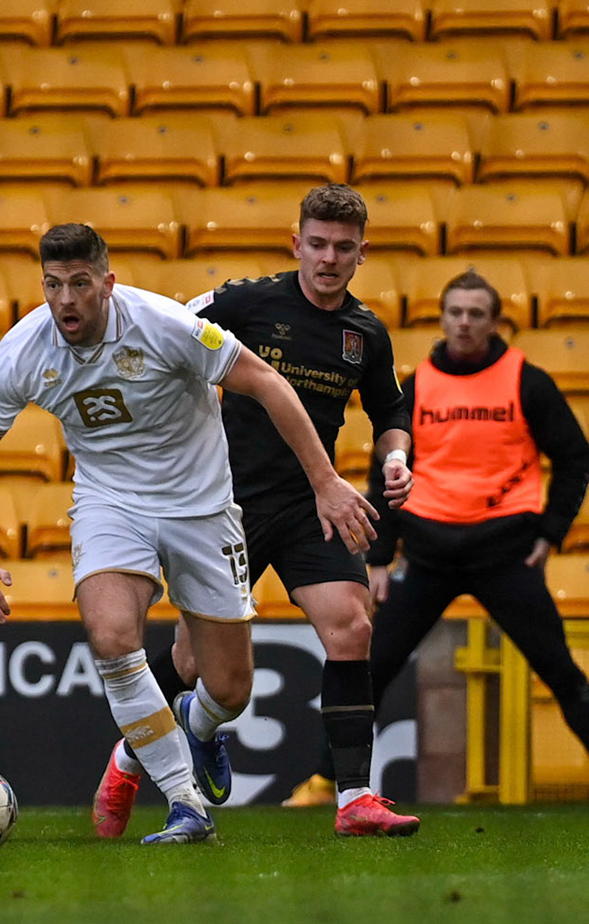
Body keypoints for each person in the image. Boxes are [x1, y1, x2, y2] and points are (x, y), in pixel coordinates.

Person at [0, 223, 378, 844]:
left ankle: (197, 725)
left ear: (107, 283)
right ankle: (185, 803)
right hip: (110, 503)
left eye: (79, 284)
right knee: (111, 637)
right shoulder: (23, 351)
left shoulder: (164, 325)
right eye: (53, 285)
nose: (66, 300)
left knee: (228, 691)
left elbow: (266, 381)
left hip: (202, 507)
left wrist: (325, 481)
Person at [101, 184, 422, 836]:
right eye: (318, 244)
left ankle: (355, 798)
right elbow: (169, 333)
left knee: (352, 627)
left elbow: (391, 411)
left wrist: (395, 456)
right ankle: (130, 756)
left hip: (313, 503)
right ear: (296, 244)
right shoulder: (245, 303)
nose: (329, 258)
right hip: (224, 503)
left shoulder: (365, 333)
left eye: (343, 248)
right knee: (192, 662)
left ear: (362, 253)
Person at [322, 269, 589, 788]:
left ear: (494, 323)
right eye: (455, 313)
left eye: (476, 314)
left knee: (560, 672)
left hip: (506, 554)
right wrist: (380, 558)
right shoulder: (417, 387)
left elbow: (575, 458)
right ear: (441, 319)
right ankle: (322, 782)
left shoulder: (527, 381)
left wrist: (551, 531)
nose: (464, 323)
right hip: (428, 555)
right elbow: (386, 473)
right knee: (372, 670)